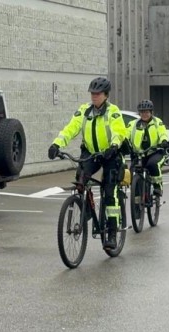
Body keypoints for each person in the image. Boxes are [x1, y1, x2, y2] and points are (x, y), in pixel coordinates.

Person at [47, 77, 127, 249]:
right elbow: (71, 128)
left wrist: (114, 146)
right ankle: (87, 212)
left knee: (109, 190)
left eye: (97, 94)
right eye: (92, 93)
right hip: (90, 153)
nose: (94, 96)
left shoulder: (113, 111)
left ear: (105, 95)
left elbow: (119, 131)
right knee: (81, 180)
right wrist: (56, 144)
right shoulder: (84, 111)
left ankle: (112, 231)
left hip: (110, 155)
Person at [127, 99, 169, 196]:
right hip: (138, 154)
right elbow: (126, 133)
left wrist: (164, 141)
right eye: (142, 112)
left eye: (146, 112)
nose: (144, 114)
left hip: (154, 152)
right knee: (133, 172)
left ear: (151, 112)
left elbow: (162, 132)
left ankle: (157, 186)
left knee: (152, 165)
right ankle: (136, 200)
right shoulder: (133, 124)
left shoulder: (157, 122)